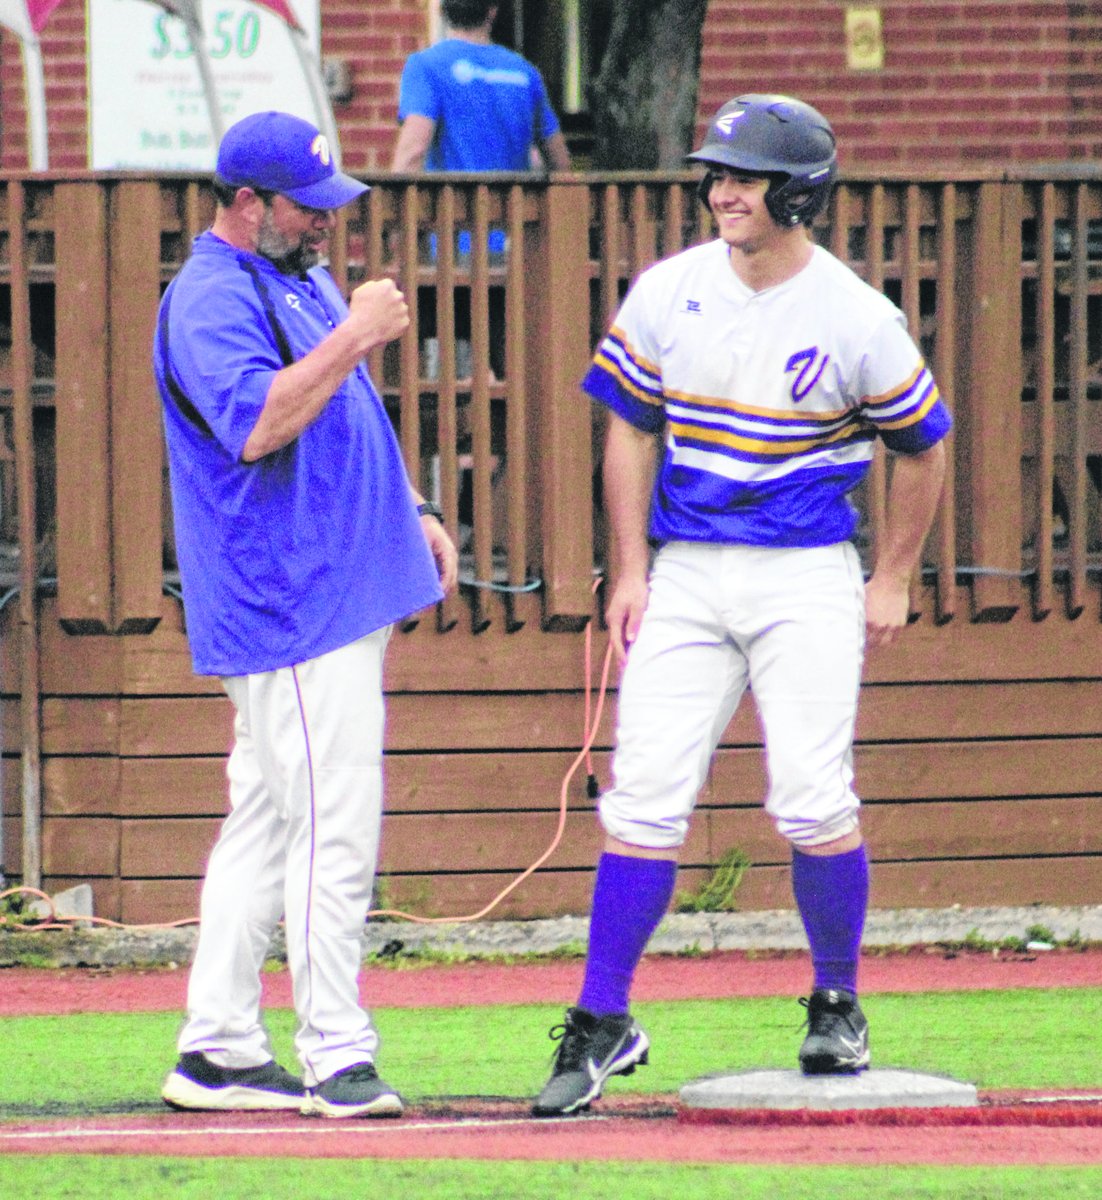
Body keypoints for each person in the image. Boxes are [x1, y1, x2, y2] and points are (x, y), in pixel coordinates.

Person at [532, 93, 952, 1117]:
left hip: (805, 571)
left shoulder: (856, 314)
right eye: (716, 173)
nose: (721, 190)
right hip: (686, 568)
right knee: (640, 800)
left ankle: (836, 1003)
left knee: (812, 799)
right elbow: (629, 428)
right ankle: (602, 1018)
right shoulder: (669, 290)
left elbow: (922, 444)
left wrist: (891, 575)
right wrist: (629, 569)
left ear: (797, 191)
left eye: (742, 176)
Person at [153, 110, 458, 1120]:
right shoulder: (206, 297)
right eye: (305, 206)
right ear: (247, 205)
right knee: (334, 826)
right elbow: (259, 425)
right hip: (289, 601)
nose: (325, 223)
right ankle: (335, 1053)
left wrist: (412, 509)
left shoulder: (296, 274)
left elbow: (350, 407)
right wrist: (356, 330)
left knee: (269, 826)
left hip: (334, 585)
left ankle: (221, 1049)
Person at [390, 0, 571, 173]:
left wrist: (392, 202)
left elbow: (413, 151)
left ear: (441, 11)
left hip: (453, 202)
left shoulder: (426, 65)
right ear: (492, 11)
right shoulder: (525, 73)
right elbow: (560, 163)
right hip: (513, 203)